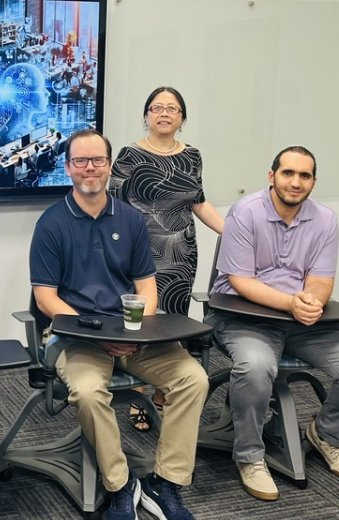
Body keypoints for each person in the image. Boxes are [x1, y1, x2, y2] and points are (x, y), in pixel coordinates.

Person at [29, 129, 208, 520]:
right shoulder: (51, 224)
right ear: (68, 167)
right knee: (90, 392)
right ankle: (121, 485)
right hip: (77, 337)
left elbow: (146, 287)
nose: (89, 168)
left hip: (132, 337)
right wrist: (100, 335)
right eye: (80, 161)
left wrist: (137, 331)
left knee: (192, 378)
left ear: (110, 166)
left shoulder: (129, 219)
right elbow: (46, 299)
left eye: (97, 160)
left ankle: (167, 482)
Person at [211, 146, 339, 501]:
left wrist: (312, 300)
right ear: (271, 176)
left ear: (313, 182)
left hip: (302, 319)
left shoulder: (326, 219)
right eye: (288, 173)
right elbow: (241, 281)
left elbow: (321, 279)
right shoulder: (246, 212)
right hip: (244, 316)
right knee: (256, 366)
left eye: (305, 176)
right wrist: (291, 302)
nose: (296, 182)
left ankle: (327, 435)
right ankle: (250, 456)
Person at [109, 86, 224, 432]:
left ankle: (163, 390)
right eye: (157, 107)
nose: (164, 113)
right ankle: (140, 392)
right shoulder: (130, 155)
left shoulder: (192, 156)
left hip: (181, 254)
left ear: (182, 118)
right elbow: (112, 205)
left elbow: (199, 202)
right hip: (139, 252)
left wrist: (234, 232)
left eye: (172, 109)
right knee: (141, 322)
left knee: (172, 321)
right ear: (146, 115)